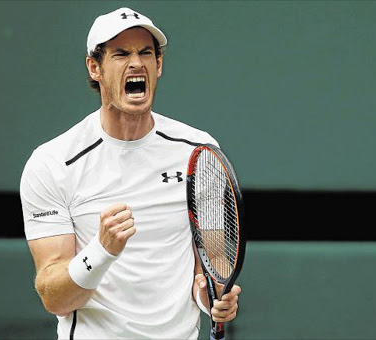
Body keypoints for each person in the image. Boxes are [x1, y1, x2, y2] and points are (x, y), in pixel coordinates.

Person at [20, 7, 241, 339]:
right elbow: (54, 298)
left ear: (159, 65)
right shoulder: (52, 163)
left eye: (146, 53)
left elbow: (210, 269)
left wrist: (212, 300)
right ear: (94, 67)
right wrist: (102, 250)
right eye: (121, 54)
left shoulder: (200, 152)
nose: (136, 63)